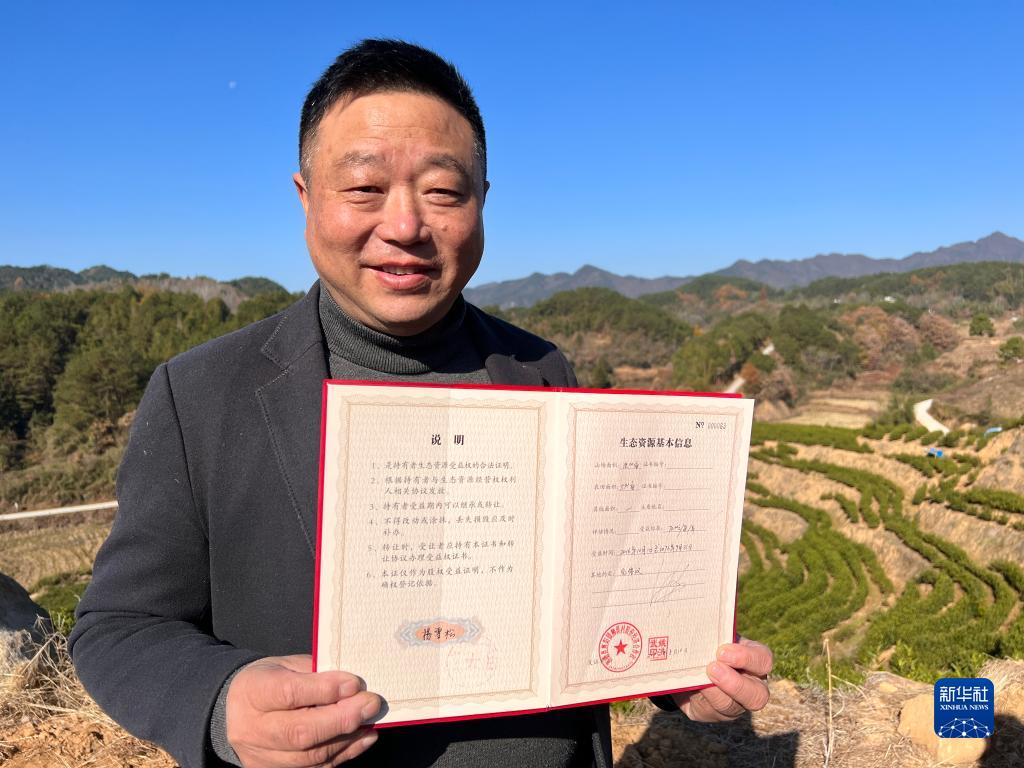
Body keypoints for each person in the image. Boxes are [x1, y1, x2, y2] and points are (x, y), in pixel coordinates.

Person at [70, 39, 772, 768]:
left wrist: (681, 669)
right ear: (306, 196)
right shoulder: (202, 394)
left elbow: (591, 587)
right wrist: (221, 702)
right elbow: (119, 624)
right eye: (364, 188)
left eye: (442, 191)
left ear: (482, 200)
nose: (405, 226)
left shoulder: (540, 370)